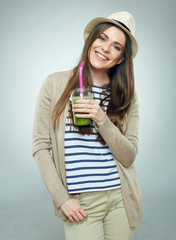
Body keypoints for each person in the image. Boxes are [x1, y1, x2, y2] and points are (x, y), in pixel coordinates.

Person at [32, 11, 142, 240]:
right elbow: (41, 147)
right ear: (91, 39)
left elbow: (129, 156)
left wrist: (102, 119)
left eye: (116, 46)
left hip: (120, 197)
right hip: (79, 200)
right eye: (102, 38)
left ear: (121, 58)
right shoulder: (54, 84)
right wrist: (62, 198)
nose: (105, 48)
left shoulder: (127, 96)